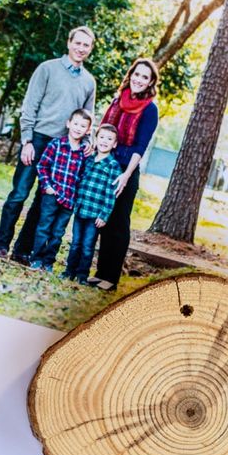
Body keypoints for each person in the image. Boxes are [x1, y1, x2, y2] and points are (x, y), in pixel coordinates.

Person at [0, 26, 96, 259]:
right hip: (38, 139)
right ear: (69, 43)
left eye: (86, 45)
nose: (81, 48)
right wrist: (27, 140)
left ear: (90, 49)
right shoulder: (47, 69)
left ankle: (22, 251)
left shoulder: (89, 82)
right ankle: (1, 245)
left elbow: (88, 115)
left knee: (44, 202)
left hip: (64, 147)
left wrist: (88, 139)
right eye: (77, 43)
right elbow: (30, 105)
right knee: (19, 194)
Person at [89, 57, 159, 291]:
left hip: (125, 170)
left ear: (150, 82)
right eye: (137, 74)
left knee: (118, 223)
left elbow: (141, 146)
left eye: (144, 77)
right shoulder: (118, 100)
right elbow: (103, 130)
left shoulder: (150, 109)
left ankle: (111, 277)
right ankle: (99, 273)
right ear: (131, 75)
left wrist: (127, 175)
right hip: (104, 165)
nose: (139, 80)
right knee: (102, 221)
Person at [28, 109, 92, 270]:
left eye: (83, 126)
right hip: (52, 195)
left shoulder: (85, 153)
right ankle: (36, 259)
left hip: (70, 199)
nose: (78, 128)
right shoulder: (56, 144)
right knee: (44, 228)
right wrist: (47, 186)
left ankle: (48, 262)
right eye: (76, 123)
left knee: (57, 233)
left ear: (88, 130)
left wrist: (78, 197)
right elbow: (42, 166)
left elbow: (84, 176)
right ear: (68, 123)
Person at [63, 123, 121, 284]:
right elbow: (79, 181)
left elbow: (111, 194)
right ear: (95, 139)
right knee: (75, 243)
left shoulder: (113, 166)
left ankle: (82, 275)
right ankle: (69, 271)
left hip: (95, 214)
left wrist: (104, 215)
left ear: (114, 144)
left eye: (109, 139)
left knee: (88, 247)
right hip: (81, 209)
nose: (104, 141)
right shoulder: (88, 159)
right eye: (101, 137)